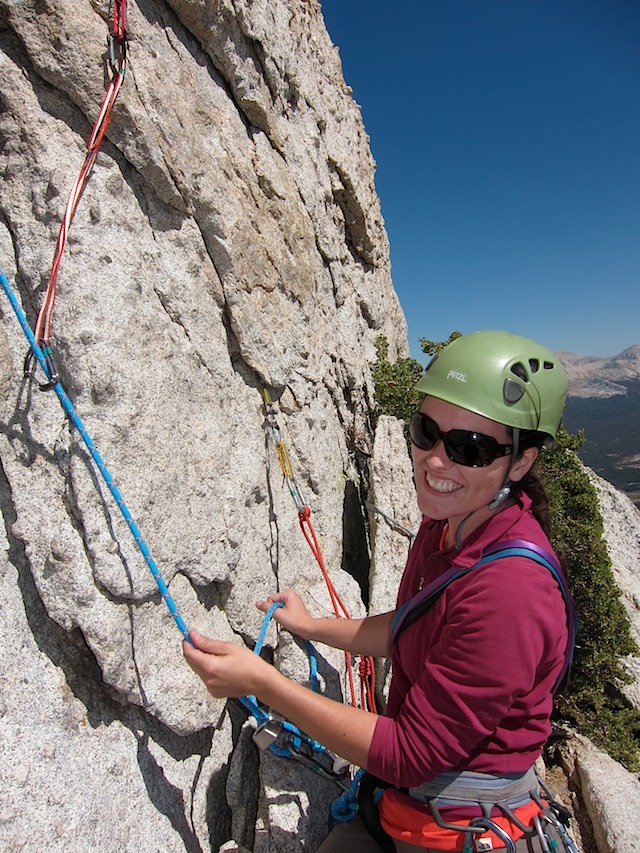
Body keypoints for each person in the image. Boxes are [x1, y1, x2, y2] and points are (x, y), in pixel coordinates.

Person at [184, 330, 576, 852]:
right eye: (426, 431)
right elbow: (412, 626)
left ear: (520, 462)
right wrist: (313, 627)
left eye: (470, 448)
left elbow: (412, 752)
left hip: (455, 827)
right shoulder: (451, 523)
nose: (436, 461)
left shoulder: (511, 592)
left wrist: (261, 683)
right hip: (405, 805)